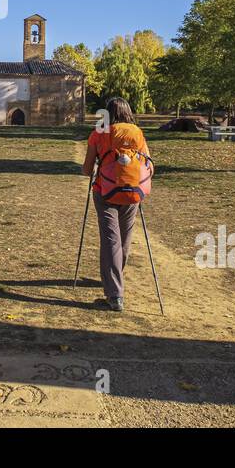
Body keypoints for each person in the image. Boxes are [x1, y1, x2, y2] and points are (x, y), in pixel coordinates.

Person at [81, 97, 153, 312]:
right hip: (133, 192)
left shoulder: (99, 133)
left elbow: (86, 169)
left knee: (111, 238)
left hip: (105, 191)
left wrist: (98, 166)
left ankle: (114, 294)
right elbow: (148, 162)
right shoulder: (137, 132)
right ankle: (116, 277)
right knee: (125, 236)